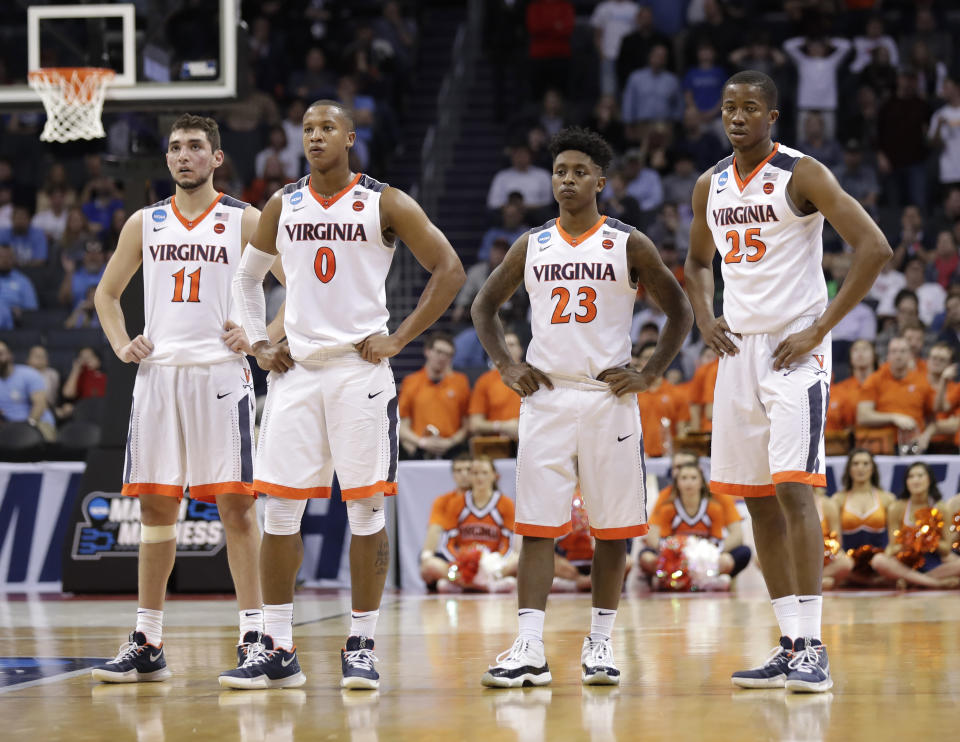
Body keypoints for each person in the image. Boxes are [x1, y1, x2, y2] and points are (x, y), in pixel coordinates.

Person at [225, 99, 464, 691]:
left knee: (365, 511)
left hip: (359, 374)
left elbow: (449, 268)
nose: (315, 136)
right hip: (297, 375)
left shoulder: (384, 200)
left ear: (351, 137)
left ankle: (361, 643)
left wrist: (400, 338)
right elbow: (247, 279)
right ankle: (277, 647)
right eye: (307, 128)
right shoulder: (283, 202)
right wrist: (259, 343)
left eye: (327, 127)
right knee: (278, 511)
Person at [685, 70, 892, 693]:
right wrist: (703, 314)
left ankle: (815, 648)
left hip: (794, 351)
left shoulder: (801, 174)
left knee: (796, 492)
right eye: (729, 108)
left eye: (750, 107)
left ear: (773, 115)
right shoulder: (709, 184)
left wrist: (820, 328)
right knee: (756, 501)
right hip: (738, 351)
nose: (737, 117)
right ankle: (788, 642)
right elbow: (696, 262)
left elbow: (873, 247)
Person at [472, 126, 692, 687]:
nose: (566, 181)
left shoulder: (628, 242)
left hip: (605, 396)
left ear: (600, 180)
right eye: (559, 172)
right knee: (537, 527)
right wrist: (506, 364)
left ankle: (601, 643)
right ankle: (528, 646)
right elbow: (484, 306)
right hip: (546, 396)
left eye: (577, 172)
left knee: (613, 530)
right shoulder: (533, 243)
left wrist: (649, 373)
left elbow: (681, 312)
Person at [90, 114, 283, 685]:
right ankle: (147, 639)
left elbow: (298, 290)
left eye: (196, 147)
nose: (183, 156)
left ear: (216, 158)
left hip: (221, 375)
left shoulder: (244, 219)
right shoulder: (144, 224)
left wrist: (261, 338)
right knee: (155, 508)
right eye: (175, 148)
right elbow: (105, 294)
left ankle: (255, 635)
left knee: (236, 507)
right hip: (158, 378)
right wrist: (123, 342)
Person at [639, 462, 751, 589]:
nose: (689, 483)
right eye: (684, 478)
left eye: (693, 478)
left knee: (727, 559)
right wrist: (680, 552)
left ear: (701, 482)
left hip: (704, 559)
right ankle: (674, 579)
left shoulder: (714, 508)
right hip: (675, 556)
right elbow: (662, 541)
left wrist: (700, 553)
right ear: (676, 483)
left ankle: (698, 581)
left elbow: (716, 540)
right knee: (647, 558)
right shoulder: (668, 508)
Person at [419, 455, 518, 593]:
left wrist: (495, 561)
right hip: (463, 563)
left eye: (484, 473)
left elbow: (509, 542)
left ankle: (460, 585)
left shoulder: (505, 503)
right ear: (470, 477)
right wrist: (460, 561)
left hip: (493, 562)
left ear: (494, 476)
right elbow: (447, 543)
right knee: (429, 565)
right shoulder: (457, 503)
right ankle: (489, 585)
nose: (479, 478)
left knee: (518, 561)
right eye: (475, 473)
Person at [870, 462, 960, 589]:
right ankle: (935, 583)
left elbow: (946, 549)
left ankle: (910, 581)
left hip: (933, 560)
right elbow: (893, 546)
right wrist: (909, 541)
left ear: (929, 480)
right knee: (878, 560)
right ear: (906, 482)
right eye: (911, 477)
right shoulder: (896, 508)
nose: (915, 480)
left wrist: (930, 540)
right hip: (905, 561)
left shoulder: (941, 508)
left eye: (920, 476)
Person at [398, 332, 471, 459]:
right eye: (439, 352)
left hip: (452, 450)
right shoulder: (411, 382)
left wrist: (451, 442)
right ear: (427, 351)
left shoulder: (460, 382)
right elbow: (402, 424)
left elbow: (467, 424)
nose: (442, 358)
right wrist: (421, 442)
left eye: (448, 355)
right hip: (420, 449)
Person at [832, 449, 893, 586]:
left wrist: (886, 558)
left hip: (879, 564)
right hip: (849, 566)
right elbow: (836, 542)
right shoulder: (838, 500)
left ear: (873, 469)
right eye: (856, 464)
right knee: (842, 564)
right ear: (849, 469)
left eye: (865, 464)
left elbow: (893, 541)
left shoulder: (887, 498)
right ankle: (873, 582)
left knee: (884, 562)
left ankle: (874, 579)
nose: (861, 468)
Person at [469, 332, 523, 443]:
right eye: (504, 345)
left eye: (512, 344)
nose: (507, 349)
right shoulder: (485, 381)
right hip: (497, 445)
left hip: (528, 442)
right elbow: (475, 424)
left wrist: (522, 427)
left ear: (520, 349)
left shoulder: (532, 378)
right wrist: (502, 426)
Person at [0, 340, 56, 440]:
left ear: (9, 355)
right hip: (7, 425)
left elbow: (40, 405)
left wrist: (28, 425)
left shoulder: (29, 374)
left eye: (1, 354)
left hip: (37, 423)